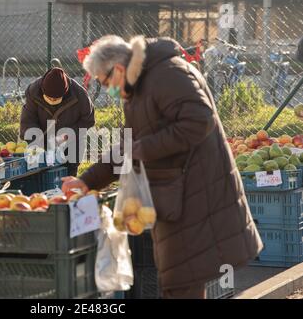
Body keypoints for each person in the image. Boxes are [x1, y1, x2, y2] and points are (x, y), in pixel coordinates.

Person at [62, 35, 263, 299]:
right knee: (180, 281)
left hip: (194, 193)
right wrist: (87, 180)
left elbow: (199, 121)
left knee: (181, 283)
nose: (107, 89)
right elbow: (128, 144)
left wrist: (145, 149)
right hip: (176, 194)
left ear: (118, 69)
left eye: (104, 82)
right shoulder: (139, 89)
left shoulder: (167, 74)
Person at [20, 67, 95, 176]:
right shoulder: (34, 91)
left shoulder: (80, 95)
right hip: (43, 140)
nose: (51, 100)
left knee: (68, 176)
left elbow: (88, 120)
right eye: (48, 97)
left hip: (71, 143)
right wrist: (36, 143)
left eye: (55, 99)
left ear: (64, 93)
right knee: (42, 176)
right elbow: (28, 121)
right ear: (42, 91)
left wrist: (68, 135)